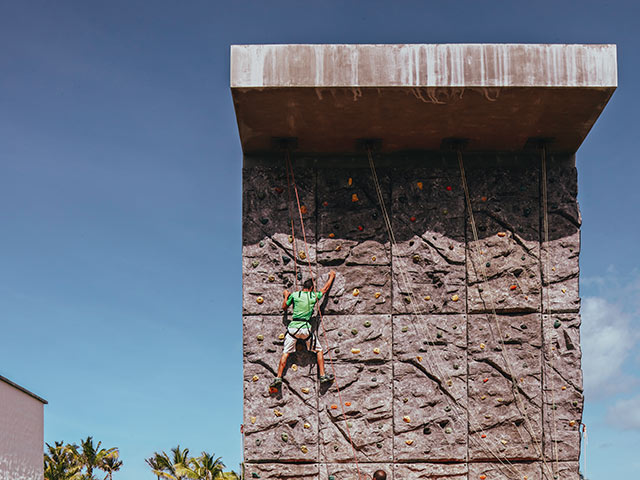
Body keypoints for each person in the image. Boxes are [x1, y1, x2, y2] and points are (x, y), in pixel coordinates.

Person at [270, 271, 336, 390]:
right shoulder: (313, 296)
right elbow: (325, 289)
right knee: (319, 350)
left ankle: (278, 377)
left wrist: (286, 295)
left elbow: (284, 307)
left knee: (286, 352)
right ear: (311, 288)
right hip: (305, 329)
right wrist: (331, 277)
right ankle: (322, 376)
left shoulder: (295, 295)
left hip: (293, 329)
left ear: (304, 287)